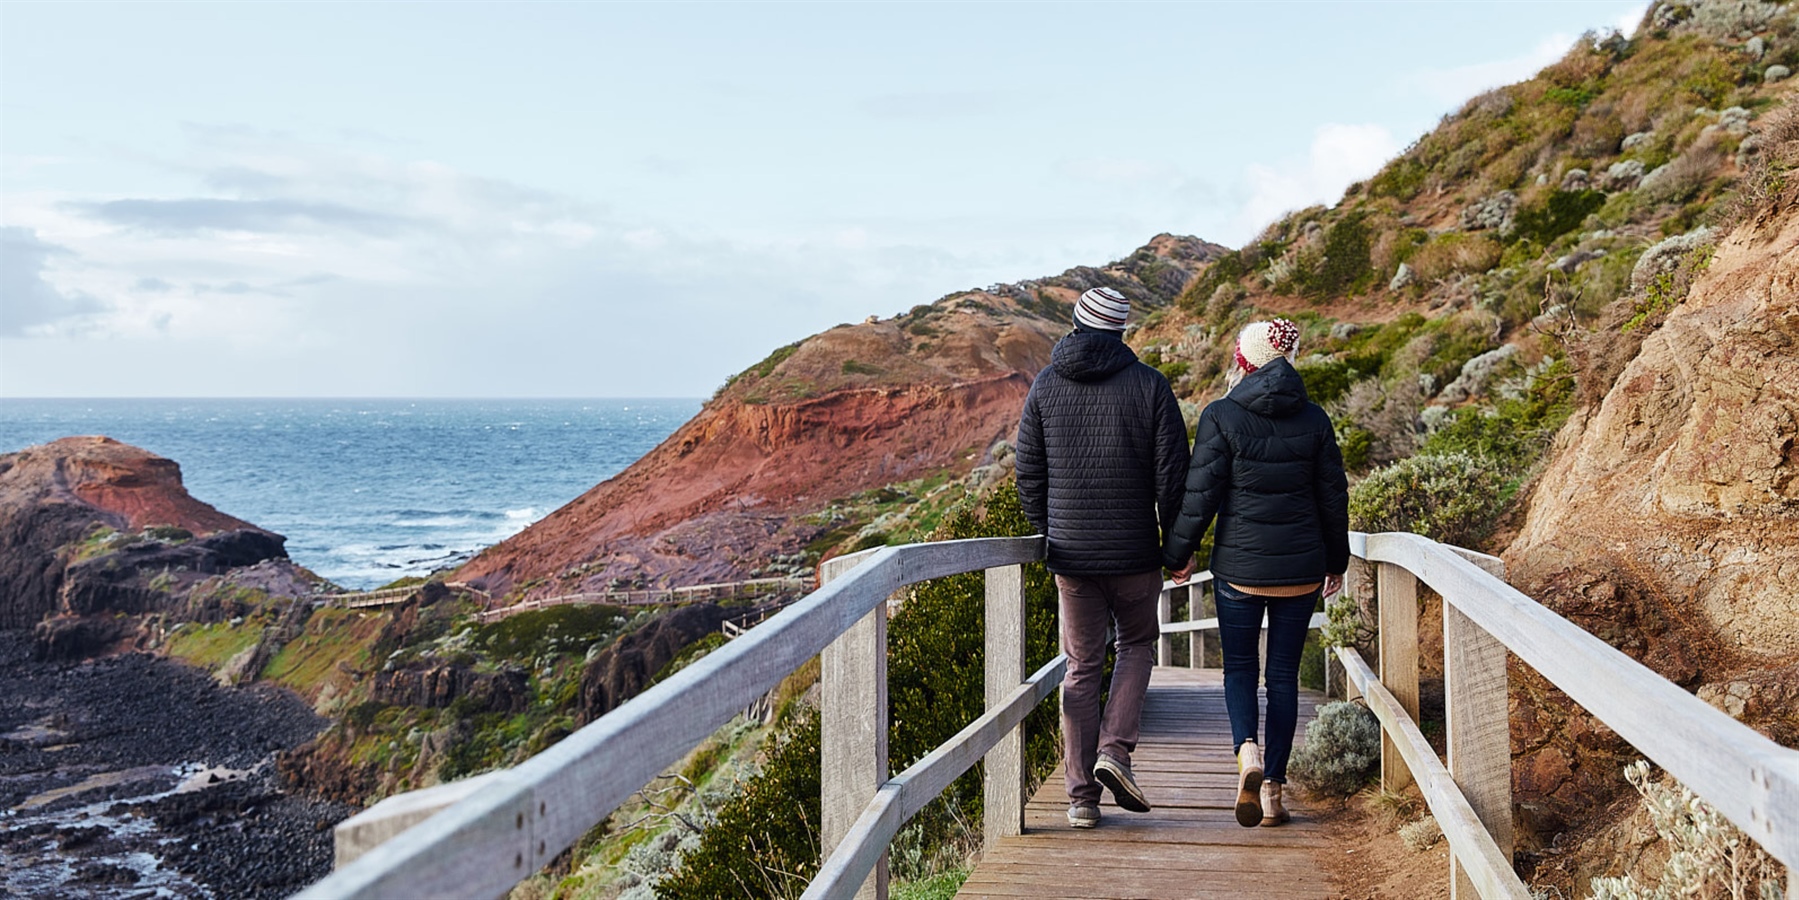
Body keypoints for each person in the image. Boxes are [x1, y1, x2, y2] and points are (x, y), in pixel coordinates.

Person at [1014, 285, 1191, 830]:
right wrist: (1176, 549)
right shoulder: (1150, 386)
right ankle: (1115, 750)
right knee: (1136, 645)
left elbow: (1028, 473)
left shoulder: (1045, 386)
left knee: (1082, 666)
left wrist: (1050, 529)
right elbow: (1173, 479)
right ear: (1120, 330)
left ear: (1075, 323)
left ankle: (1080, 798)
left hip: (1071, 556)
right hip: (1135, 553)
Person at [1164, 318, 1349, 828]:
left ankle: (1247, 749)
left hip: (1239, 572)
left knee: (1241, 669)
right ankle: (1273, 792)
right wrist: (1337, 561)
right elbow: (1333, 499)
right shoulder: (1315, 418)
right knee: (1283, 677)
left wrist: (1177, 554)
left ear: (1244, 361)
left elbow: (1200, 496)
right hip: (1302, 570)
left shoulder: (1221, 414)